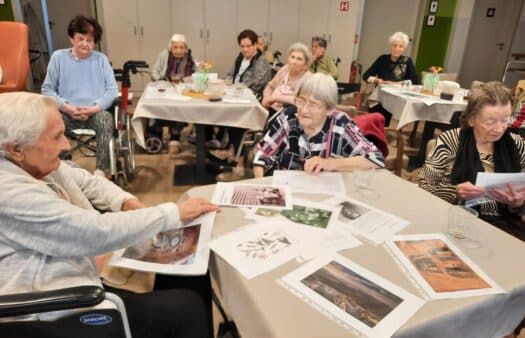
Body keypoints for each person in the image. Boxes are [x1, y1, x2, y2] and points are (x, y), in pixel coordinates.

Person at [0, 91, 220, 338]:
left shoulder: (35, 163)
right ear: (16, 149)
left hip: (76, 281)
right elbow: (91, 232)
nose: (66, 145)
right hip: (49, 310)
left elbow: (90, 183)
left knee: (189, 274)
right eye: (57, 137)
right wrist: (172, 213)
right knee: (187, 309)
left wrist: (129, 203)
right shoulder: (8, 191)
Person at [418, 81, 525, 241]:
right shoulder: (452, 140)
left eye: (505, 120)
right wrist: (455, 192)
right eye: (490, 121)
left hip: (503, 226)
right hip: (455, 221)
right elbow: (423, 187)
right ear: (471, 119)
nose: (499, 128)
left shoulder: (517, 145)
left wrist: (518, 203)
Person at [253, 73, 384, 177]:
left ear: (329, 109)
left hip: (326, 195)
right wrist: (261, 186)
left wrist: (329, 163)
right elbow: (263, 155)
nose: (303, 110)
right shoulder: (289, 118)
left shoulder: (341, 124)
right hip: (288, 191)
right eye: (301, 101)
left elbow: (375, 159)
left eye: (313, 104)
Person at [42, 15, 117, 177]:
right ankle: (63, 165)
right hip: (66, 113)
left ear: (94, 42)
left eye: (89, 40)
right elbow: (47, 90)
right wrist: (66, 107)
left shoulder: (101, 60)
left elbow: (112, 90)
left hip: (94, 114)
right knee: (51, 120)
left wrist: (94, 108)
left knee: (105, 119)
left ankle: (101, 170)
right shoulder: (58, 58)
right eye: (80, 38)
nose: (85, 44)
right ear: (71, 38)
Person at [214, 29, 272, 181]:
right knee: (220, 109)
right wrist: (229, 83)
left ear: (255, 46)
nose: (245, 49)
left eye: (248, 46)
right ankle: (230, 150)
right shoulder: (240, 58)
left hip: (253, 100)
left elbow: (258, 84)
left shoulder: (261, 62)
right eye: (242, 46)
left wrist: (236, 87)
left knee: (238, 118)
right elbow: (229, 74)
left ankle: (239, 163)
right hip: (236, 95)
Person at [362, 31, 419, 126]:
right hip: (380, 96)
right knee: (374, 118)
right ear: (391, 46)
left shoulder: (407, 61)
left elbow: (414, 81)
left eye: (400, 46)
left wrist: (394, 83)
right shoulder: (382, 59)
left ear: (404, 49)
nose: (397, 49)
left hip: (396, 98)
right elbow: (366, 76)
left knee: (384, 119)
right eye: (394, 45)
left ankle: (381, 133)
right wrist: (376, 80)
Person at [149, 34, 196, 143]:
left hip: (182, 91)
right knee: (159, 108)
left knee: (178, 108)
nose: (178, 50)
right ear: (171, 47)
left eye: (181, 47)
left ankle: (175, 135)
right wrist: (162, 81)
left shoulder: (190, 57)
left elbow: (196, 74)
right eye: (175, 47)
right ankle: (156, 134)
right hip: (165, 89)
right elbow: (154, 73)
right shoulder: (164, 55)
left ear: (185, 49)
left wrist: (185, 81)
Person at [262, 42, 312, 115]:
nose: (294, 61)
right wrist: (266, 97)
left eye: (299, 59)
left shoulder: (308, 79)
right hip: (269, 108)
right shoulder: (285, 69)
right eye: (292, 57)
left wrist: (275, 98)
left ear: (305, 65)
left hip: (286, 115)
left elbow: (300, 101)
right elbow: (270, 86)